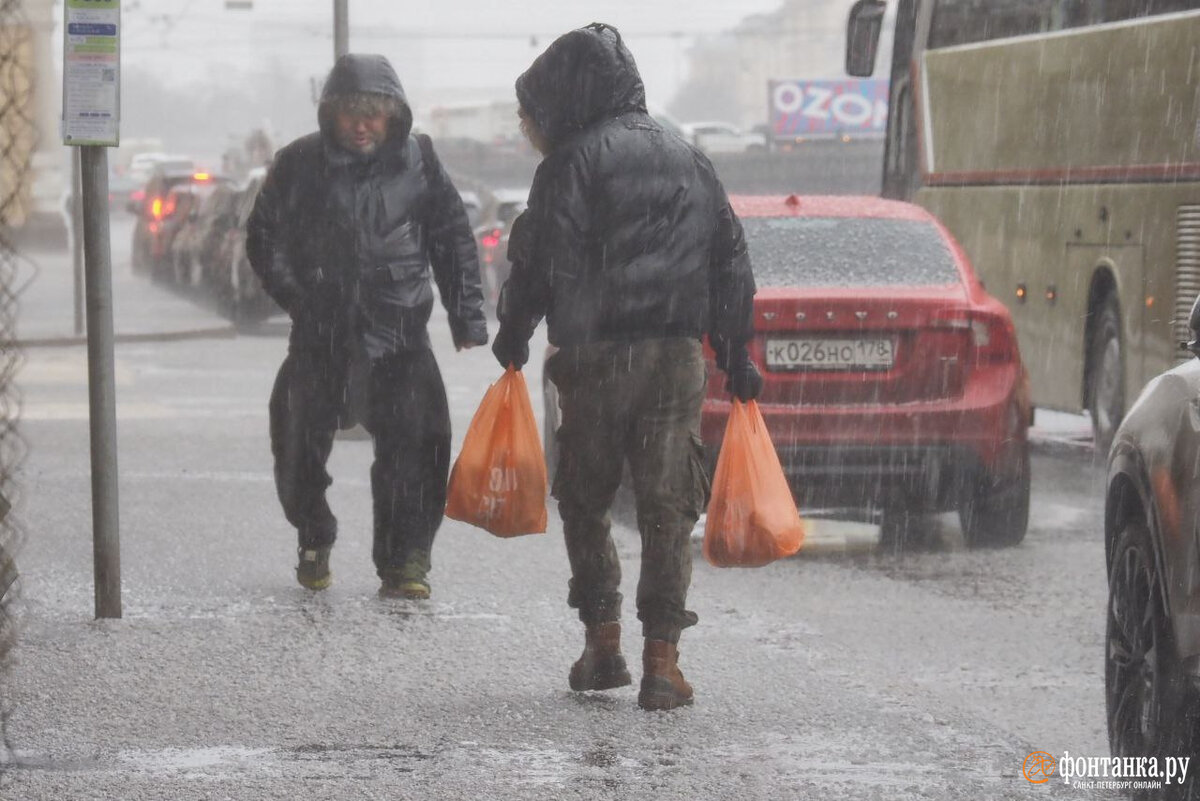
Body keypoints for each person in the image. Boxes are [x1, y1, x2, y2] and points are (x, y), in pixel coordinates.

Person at [492, 23, 761, 711]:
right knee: (668, 503)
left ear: (568, 98)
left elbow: (539, 258)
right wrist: (736, 351)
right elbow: (729, 256)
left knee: (587, 497)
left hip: (594, 354)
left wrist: (515, 333)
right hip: (675, 355)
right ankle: (663, 661)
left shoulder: (571, 163)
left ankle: (603, 642)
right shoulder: (689, 157)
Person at [247, 53, 488, 600]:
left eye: (374, 113)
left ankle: (405, 562)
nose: (362, 125)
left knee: (420, 448)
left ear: (392, 116)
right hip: (321, 335)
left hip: (400, 332)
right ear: (331, 114)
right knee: (295, 446)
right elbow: (264, 236)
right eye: (351, 112)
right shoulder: (299, 162)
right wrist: (298, 299)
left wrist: (467, 314)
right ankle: (314, 532)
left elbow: (452, 237)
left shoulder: (419, 159)